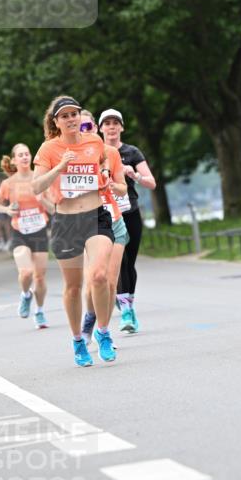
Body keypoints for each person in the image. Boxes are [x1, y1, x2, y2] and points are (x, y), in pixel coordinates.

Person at [32, 96, 116, 367]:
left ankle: (103, 332)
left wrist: (103, 173)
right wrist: (59, 167)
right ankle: (78, 340)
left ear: (80, 117)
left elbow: (102, 162)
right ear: (56, 122)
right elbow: (36, 186)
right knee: (73, 286)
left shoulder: (94, 141)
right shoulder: (48, 149)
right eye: (64, 116)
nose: (70, 119)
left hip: (96, 217)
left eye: (74, 114)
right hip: (66, 221)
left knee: (100, 276)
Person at [98, 108, 156, 334]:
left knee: (129, 261)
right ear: (100, 128)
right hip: (106, 213)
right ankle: (126, 311)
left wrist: (134, 175)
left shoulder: (132, 152)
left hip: (129, 210)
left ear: (121, 127)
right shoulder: (95, 152)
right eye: (107, 123)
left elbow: (151, 183)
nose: (111, 127)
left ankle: (127, 302)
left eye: (115, 123)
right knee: (118, 262)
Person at [77, 110, 130, 344]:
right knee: (93, 282)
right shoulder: (72, 155)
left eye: (90, 127)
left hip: (114, 220)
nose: (87, 131)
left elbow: (123, 187)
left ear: (96, 129)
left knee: (109, 281)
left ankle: (103, 331)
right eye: (83, 127)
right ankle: (90, 315)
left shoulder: (110, 153)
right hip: (89, 222)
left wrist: (111, 185)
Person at [0, 144, 53, 328]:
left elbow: (53, 208)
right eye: (21, 155)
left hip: (40, 230)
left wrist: (43, 199)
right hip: (19, 231)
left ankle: (40, 311)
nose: (25, 157)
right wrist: (8, 209)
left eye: (27, 154)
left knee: (40, 277)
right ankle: (26, 295)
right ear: (14, 160)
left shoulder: (40, 179)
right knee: (26, 272)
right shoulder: (8, 184)